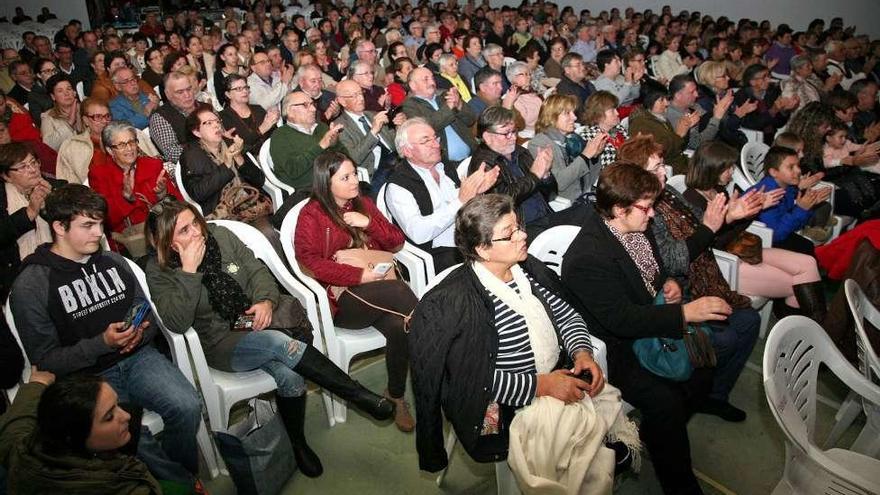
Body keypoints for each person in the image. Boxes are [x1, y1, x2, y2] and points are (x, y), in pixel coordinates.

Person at [144, 199, 394, 477]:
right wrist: (190, 271)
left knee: (290, 376)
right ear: (165, 241)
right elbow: (177, 323)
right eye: (183, 231)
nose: (196, 233)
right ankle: (358, 395)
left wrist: (265, 301)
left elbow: (256, 270)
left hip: (254, 319)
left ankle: (298, 444)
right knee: (277, 343)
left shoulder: (221, 236)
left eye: (195, 223)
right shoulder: (159, 270)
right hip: (219, 341)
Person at [410, 194, 637, 487]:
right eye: (510, 233)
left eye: (519, 227)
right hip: (499, 404)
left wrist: (581, 352)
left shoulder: (527, 271)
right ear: (483, 249)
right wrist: (542, 386)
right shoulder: (458, 303)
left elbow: (566, 315)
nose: (523, 235)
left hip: (554, 375)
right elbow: (470, 380)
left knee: (604, 436)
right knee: (582, 450)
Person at [562, 162, 747, 495]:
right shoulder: (588, 257)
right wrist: (685, 313)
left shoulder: (635, 227)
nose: (652, 215)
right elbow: (620, 320)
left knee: (702, 369)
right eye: (646, 208)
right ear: (619, 209)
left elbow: (654, 272)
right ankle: (681, 485)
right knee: (666, 402)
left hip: (647, 324)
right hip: (614, 347)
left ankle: (656, 433)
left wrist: (670, 283)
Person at [8, 184, 202, 488]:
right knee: (134, 439)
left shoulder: (113, 261)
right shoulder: (31, 284)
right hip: (86, 379)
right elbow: (45, 361)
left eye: (100, 223)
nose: (99, 233)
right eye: (87, 225)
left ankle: (180, 478)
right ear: (59, 226)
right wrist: (102, 344)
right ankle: (182, 485)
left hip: (138, 357)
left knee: (187, 406)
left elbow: (144, 309)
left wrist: (139, 331)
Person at [294, 151, 418, 432]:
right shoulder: (311, 214)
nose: (355, 181)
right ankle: (443, 363)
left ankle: (396, 396)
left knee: (400, 326)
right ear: (327, 182)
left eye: (355, 174)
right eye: (346, 177)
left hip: (378, 290)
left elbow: (396, 240)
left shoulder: (362, 204)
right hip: (342, 298)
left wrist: (369, 223)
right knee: (400, 292)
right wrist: (358, 275)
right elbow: (311, 261)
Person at [684, 140, 826, 321]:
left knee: (807, 263)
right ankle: (802, 327)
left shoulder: (719, 190)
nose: (732, 172)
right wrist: (737, 216)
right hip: (721, 263)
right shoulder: (692, 199)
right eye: (727, 168)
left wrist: (749, 212)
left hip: (740, 249)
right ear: (712, 168)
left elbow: (732, 232)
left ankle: (817, 326)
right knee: (797, 284)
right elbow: (711, 245)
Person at [0, 371, 165, 493]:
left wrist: (37, 383)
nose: (126, 416)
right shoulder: (121, 487)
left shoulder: (22, 449)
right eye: (109, 417)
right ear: (74, 435)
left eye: (117, 405)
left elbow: (17, 423)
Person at [385, 118, 499, 271]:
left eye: (435, 138)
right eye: (426, 141)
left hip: (464, 236)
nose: (436, 144)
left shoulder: (444, 167)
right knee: (492, 261)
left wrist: (476, 192)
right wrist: (461, 201)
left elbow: (460, 203)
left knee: (507, 244)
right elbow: (418, 233)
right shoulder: (398, 185)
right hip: (435, 251)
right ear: (407, 151)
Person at [469, 106, 566, 236]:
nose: (514, 137)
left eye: (514, 131)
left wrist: (545, 174)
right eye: (506, 133)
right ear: (487, 137)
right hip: (519, 231)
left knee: (588, 214)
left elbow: (551, 195)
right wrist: (535, 175)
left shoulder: (520, 152)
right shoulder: (483, 164)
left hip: (546, 217)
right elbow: (502, 203)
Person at [89, 121, 181, 253]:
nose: (130, 148)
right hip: (134, 243)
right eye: (122, 145)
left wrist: (162, 194)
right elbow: (106, 219)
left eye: (132, 142)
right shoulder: (100, 175)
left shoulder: (153, 165)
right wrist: (125, 197)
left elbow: (179, 204)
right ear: (110, 150)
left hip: (166, 232)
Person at [0, 142, 64, 300]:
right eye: (22, 167)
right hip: (18, 279)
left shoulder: (58, 188)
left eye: (33, 162)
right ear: (6, 176)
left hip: (61, 270)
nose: (33, 169)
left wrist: (51, 203)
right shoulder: (3, 200)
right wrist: (30, 212)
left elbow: (74, 225)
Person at [747, 145, 833, 256]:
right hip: (761, 243)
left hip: (779, 233)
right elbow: (775, 235)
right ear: (774, 172)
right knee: (806, 250)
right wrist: (801, 209)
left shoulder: (788, 187)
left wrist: (807, 207)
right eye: (791, 167)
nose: (798, 170)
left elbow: (795, 224)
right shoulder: (768, 194)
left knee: (807, 246)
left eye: (798, 165)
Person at [56, 98, 157, 185]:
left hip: (142, 184)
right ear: (86, 120)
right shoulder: (72, 146)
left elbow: (155, 161)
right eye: (98, 117)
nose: (104, 121)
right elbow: (68, 183)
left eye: (107, 116)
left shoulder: (133, 133)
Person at [529, 94, 608, 202]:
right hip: (564, 204)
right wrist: (585, 156)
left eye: (573, 113)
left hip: (585, 197)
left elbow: (590, 179)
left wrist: (594, 156)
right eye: (567, 113)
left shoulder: (574, 138)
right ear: (551, 116)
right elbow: (559, 183)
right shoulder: (540, 143)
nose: (574, 118)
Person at [333, 79, 405, 195]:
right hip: (375, 172)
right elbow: (354, 159)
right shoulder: (339, 126)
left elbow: (394, 144)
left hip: (396, 162)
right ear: (342, 101)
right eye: (354, 96)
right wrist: (373, 132)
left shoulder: (373, 115)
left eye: (361, 93)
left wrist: (400, 127)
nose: (361, 98)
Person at [401, 66, 476, 165]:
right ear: (413, 85)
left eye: (432, 78)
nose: (432, 82)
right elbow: (427, 128)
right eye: (426, 79)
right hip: (446, 164)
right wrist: (449, 108)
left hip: (472, 155)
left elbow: (471, 119)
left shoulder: (444, 95)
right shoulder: (410, 106)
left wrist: (459, 104)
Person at [271, 91, 344, 191]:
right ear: (290, 111)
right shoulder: (280, 136)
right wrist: (320, 146)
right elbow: (293, 170)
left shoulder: (321, 127)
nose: (314, 109)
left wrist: (334, 144)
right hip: (308, 190)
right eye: (305, 105)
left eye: (312, 104)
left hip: (336, 181)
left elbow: (346, 157)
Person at [628, 81, 695, 174]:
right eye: (661, 100)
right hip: (668, 169)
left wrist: (686, 129)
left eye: (666, 99)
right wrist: (679, 135)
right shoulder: (640, 124)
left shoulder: (659, 117)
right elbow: (660, 152)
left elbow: (680, 147)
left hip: (681, 161)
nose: (667, 103)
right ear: (649, 100)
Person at [219, 74, 278, 155]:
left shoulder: (258, 109)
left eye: (246, 87)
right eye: (239, 89)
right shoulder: (224, 117)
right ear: (228, 94)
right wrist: (261, 130)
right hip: (249, 160)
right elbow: (241, 146)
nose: (245, 91)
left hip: (273, 153)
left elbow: (276, 134)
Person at [149, 71, 198, 164]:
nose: (187, 95)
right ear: (168, 95)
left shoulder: (205, 107)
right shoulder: (160, 118)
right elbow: (172, 153)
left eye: (189, 89)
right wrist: (206, 149)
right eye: (180, 92)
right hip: (192, 168)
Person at [505, 61, 543, 138]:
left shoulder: (530, 91)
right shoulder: (512, 96)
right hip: (529, 134)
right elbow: (526, 121)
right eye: (525, 74)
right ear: (514, 78)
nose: (529, 77)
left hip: (541, 128)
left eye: (529, 74)